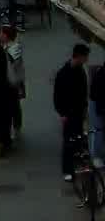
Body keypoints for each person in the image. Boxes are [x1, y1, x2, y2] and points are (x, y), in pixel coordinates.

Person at [56, 42, 92, 180]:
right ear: (79, 56)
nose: (87, 60)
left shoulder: (80, 71)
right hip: (68, 113)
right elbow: (57, 95)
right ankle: (68, 170)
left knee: (79, 139)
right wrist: (62, 113)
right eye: (85, 57)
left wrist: (84, 108)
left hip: (78, 111)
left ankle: (79, 165)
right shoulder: (63, 73)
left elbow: (83, 92)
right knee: (68, 142)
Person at [0, 24, 24, 151]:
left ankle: (16, 128)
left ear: (6, 35)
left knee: (14, 106)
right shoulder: (3, 46)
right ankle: (8, 129)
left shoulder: (15, 47)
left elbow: (12, 59)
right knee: (8, 106)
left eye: (1, 33)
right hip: (5, 81)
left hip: (13, 82)